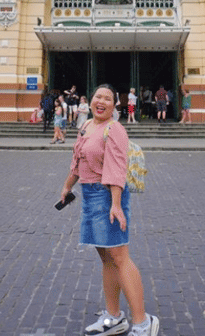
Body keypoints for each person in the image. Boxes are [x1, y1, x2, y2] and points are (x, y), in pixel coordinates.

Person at [60, 84, 159, 336]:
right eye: (97, 97)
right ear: (91, 101)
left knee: (120, 257)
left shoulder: (114, 129)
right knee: (106, 258)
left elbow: (116, 168)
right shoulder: (86, 126)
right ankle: (114, 317)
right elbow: (77, 160)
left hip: (108, 196)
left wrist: (116, 204)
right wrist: (67, 186)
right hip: (90, 196)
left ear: (115, 105)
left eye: (107, 98)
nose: (101, 101)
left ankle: (143, 322)